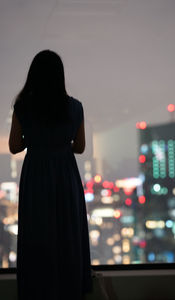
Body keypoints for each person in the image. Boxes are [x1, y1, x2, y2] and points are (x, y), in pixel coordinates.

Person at [8, 49, 93, 300]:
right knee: (67, 233)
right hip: (66, 176)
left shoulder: (23, 107)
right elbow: (79, 147)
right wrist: (59, 143)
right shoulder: (75, 107)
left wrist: (35, 140)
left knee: (38, 234)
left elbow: (14, 146)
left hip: (36, 177)